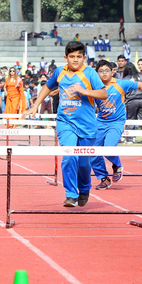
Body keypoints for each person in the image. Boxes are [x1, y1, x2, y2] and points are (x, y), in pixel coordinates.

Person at [23, 41, 108, 208]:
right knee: (69, 156)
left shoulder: (90, 73)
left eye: (78, 57)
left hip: (87, 125)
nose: (75, 60)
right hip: (65, 122)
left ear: (84, 58)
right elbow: (47, 87)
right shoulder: (59, 72)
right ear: (66, 58)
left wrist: (85, 91)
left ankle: (84, 188)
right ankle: (70, 194)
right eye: (71, 57)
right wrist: (35, 105)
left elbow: (103, 93)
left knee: (84, 163)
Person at [91, 60, 142, 190]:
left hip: (116, 122)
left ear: (112, 72)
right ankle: (104, 178)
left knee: (109, 147)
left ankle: (117, 165)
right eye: (101, 71)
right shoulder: (95, 87)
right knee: (93, 152)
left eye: (107, 70)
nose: (104, 73)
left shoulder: (121, 84)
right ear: (97, 73)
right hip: (100, 122)